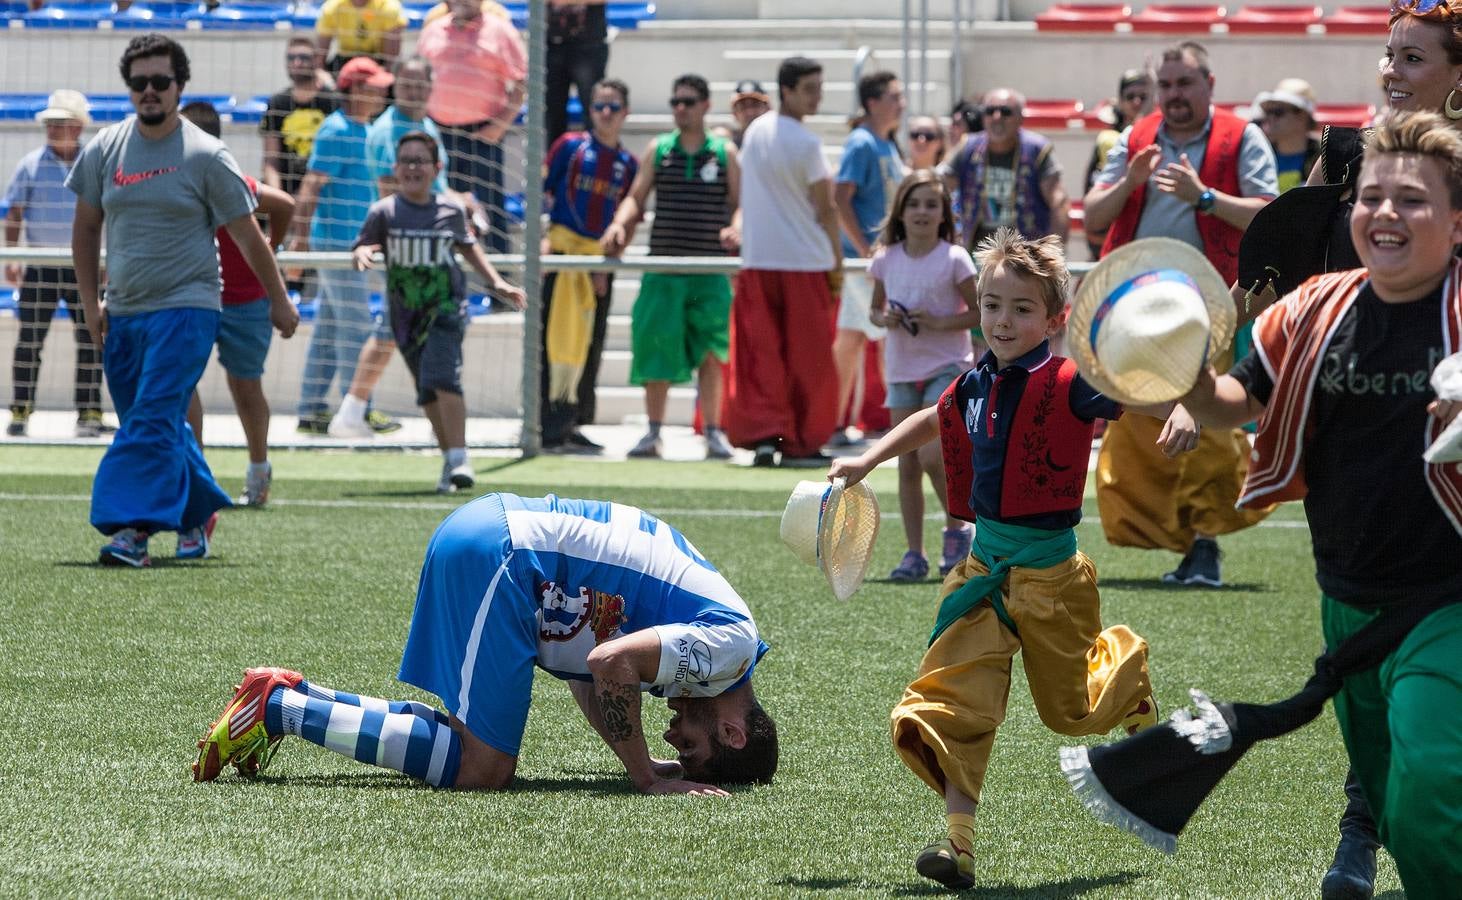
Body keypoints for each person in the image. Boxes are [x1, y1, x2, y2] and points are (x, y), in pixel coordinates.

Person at [828, 228, 1167, 891]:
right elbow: (933, 417)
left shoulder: (1070, 381)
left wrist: (1180, 404)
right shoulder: (974, 380)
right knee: (950, 704)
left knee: (1068, 714)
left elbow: (1132, 398)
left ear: (1053, 319)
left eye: (1019, 308)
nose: (1002, 321)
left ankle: (1126, 671)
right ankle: (959, 849)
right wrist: (866, 458)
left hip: (1052, 583)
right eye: (991, 305)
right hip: (982, 576)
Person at [1178, 111, 1462, 899]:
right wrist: (1188, 381)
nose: (1385, 214)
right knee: (1400, 816)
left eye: (1413, 200)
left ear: (1457, 220)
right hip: (1347, 600)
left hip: (1447, 601)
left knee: (1433, 778)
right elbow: (1239, 398)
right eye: (1372, 198)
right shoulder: (1315, 307)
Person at [192, 492, 779, 794]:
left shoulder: (723, 637)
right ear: (731, 732)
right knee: (484, 768)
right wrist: (646, 779)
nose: (675, 736)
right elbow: (610, 663)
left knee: (482, 759)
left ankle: (289, 699)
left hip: (497, 539)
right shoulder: (728, 648)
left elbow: (588, 672)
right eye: (692, 748)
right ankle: (280, 708)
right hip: (505, 555)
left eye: (677, 748)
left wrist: (637, 760)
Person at [68, 34, 297, 568]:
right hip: (124, 310)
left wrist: (278, 300)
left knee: (146, 420)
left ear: (179, 86)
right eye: (139, 82)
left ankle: (132, 529)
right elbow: (85, 232)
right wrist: (89, 303)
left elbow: (248, 236)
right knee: (159, 420)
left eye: (160, 82)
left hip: (189, 308)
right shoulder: (104, 148)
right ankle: (196, 513)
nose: (149, 91)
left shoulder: (205, 154)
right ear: (129, 87)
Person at [1082, 40, 1278, 587]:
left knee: (1205, 423)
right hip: (1133, 307)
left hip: (1211, 304)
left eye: (1184, 83)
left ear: (1209, 86)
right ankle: (1187, 542)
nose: (1173, 94)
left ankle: (1205, 543)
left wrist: (1205, 198)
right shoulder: (1135, 138)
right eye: (1165, 85)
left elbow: (1269, 216)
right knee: (1138, 427)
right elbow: (1094, 215)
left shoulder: (1243, 137)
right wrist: (1130, 182)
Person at [349, 133, 525, 492]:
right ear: (396, 168)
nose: (413, 168)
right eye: (406, 161)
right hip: (405, 317)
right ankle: (449, 458)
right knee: (427, 389)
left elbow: (469, 247)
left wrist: (497, 283)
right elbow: (365, 243)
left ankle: (460, 457)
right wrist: (363, 252)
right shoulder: (383, 212)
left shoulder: (450, 210)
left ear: (437, 169)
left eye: (421, 161)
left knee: (443, 376)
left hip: (446, 309)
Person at [600, 74, 739, 461]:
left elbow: (739, 203)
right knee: (656, 353)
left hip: (708, 270)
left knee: (712, 355)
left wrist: (736, 227)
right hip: (663, 267)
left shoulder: (724, 151)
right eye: (675, 101)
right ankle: (653, 432)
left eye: (689, 101)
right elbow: (636, 197)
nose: (681, 108)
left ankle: (713, 432)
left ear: (706, 105)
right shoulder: (659, 149)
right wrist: (618, 222)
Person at [326, 55, 455, 440]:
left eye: (421, 83)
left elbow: (438, 187)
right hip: (408, 246)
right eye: (407, 82)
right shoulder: (388, 131)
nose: (414, 90)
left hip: (430, 243)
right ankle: (353, 411)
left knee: (399, 331)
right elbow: (391, 194)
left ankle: (353, 411)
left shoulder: (426, 124)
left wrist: (461, 202)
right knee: (396, 331)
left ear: (432, 86)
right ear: (396, 85)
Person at [724, 56, 842, 468]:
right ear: (786, 91)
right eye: (810, 87)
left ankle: (764, 438)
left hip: (758, 260)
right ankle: (803, 442)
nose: (818, 95)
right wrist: (838, 263)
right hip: (805, 263)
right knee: (809, 359)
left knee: (761, 357)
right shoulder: (807, 143)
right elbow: (826, 209)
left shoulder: (755, 131)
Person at [178, 101, 296, 508]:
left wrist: (272, 247)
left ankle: (258, 469)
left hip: (245, 299)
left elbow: (284, 204)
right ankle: (196, 475)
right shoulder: (173, 182)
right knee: (182, 382)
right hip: (194, 295)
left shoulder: (231, 180)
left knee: (246, 387)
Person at [865, 172, 977, 582]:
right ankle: (915, 553)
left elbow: (979, 312)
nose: (922, 212)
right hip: (901, 369)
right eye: (914, 204)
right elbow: (874, 311)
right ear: (901, 211)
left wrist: (941, 322)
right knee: (906, 462)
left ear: (944, 212)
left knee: (932, 453)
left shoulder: (954, 258)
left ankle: (957, 528)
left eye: (932, 204)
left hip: (947, 366)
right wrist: (886, 317)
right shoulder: (886, 257)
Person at [290, 56, 399, 436]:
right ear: (354, 90)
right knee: (355, 326)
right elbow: (310, 187)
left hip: (353, 246)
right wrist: (301, 243)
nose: (384, 92)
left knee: (330, 327)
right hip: (337, 246)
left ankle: (311, 408)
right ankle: (359, 410)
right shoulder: (335, 131)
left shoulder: (366, 130)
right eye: (375, 86)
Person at [539, 78, 637, 453]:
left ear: (625, 112)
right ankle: (547, 424)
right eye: (599, 107)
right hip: (560, 256)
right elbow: (543, 193)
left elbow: (626, 217)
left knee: (591, 345)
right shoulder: (569, 146)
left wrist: (608, 259)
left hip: (598, 262)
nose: (606, 114)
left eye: (613, 107)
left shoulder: (627, 164)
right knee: (550, 340)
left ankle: (574, 421)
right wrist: (544, 240)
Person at [4, 89, 105, 439]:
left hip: (85, 265)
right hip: (41, 262)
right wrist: (13, 255)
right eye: (49, 122)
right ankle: (20, 412)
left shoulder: (95, 163)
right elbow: (14, 211)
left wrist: (106, 258)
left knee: (93, 337)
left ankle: (90, 413)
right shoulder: (30, 164)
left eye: (59, 122)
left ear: (77, 127)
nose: (52, 128)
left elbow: (107, 213)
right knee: (29, 340)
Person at [417, 0, 527, 255]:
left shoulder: (500, 30)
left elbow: (521, 83)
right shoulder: (433, 30)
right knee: (440, 206)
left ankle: (501, 287)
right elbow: (419, 78)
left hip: (483, 134)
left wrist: (498, 127)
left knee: (492, 210)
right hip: (439, 134)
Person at [831, 71, 904, 449]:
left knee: (852, 341)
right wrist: (864, 252)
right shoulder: (861, 143)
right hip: (867, 263)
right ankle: (896, 424)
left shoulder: (886, 144)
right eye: (894, 96)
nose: (901, 104)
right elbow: (840, 198)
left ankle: (835, 421)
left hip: (878, 260)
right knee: (882, 340)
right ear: (872, 102)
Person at [942, 87, 1069, 250]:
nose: (997, 117)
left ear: (1020, 118)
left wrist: (1051, 253)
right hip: (978, 251)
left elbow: (1058, 201)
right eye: (990, 111)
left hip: (1025, 255)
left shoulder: (1037, 149)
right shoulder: (967, 147)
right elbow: (941, 189)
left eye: (1006, 111)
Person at [1084, 68, 1153, 257]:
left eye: (1143, 97)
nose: (1137, 102)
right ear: (1121, 103)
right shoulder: (1110, 139)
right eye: (1130, 97)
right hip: (1117, 241)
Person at [260, 37, 339, 200]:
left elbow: (336, 159)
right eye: (291, 58)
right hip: (286, 188)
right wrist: (280, 199)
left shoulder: (332, 101)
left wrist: (306, 196)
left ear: (316, 60)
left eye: (304, 58)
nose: (297, 63)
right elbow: (271, 161)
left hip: (325, 193)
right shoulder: (278, 103)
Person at [546, 0, 611, 146]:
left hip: (589, 46)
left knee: (595, 111)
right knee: (552, 115)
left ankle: (596, 162)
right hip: (552, 45)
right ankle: (555, 164)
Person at [1255, 78, 1321, 194]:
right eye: (1267, 112)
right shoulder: (1257, 155)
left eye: (1277, 112)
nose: (1269, 118)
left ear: (1302, 116)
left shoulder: (1324, 156)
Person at [313, 0, 405, 77]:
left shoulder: (389, 7)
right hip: (344, 61)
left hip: (378, 63)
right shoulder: (331, 7)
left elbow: (391, 62)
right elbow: (320, 59)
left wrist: (378, 81)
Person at [715, 79, 771, 148]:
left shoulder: (777, 140)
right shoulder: (726, 145)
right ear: (734, 113)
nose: (750, 112)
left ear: (767, 108)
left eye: (755, 105)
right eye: (743, 106)